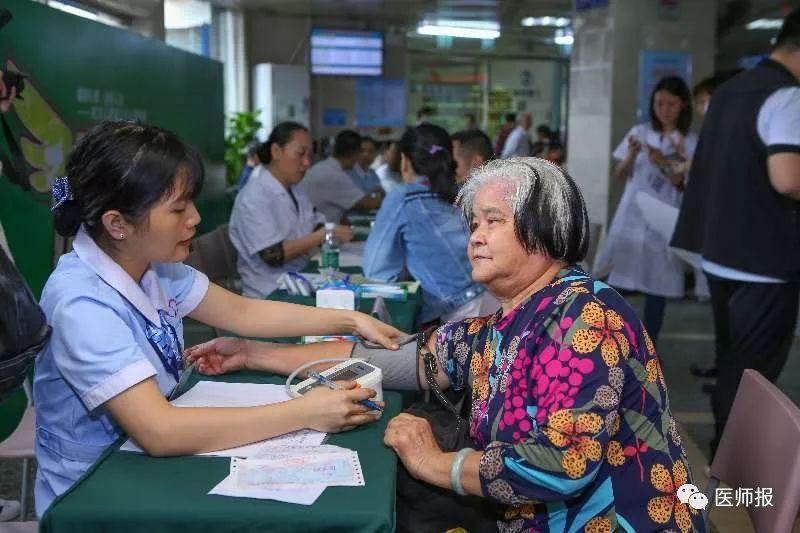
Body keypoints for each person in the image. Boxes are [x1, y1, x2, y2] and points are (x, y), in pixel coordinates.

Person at [189, 157, 703, 532]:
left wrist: (433, 462)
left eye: (493, 221)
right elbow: (405, 360)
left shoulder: (584, 318)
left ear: (546, 227)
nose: (475, 237)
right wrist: (258, 354)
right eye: (473, 224)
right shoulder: (512, 317)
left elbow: (559, 465)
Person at [33, 121, 402, 517]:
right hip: (94, 490)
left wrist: (349, 320)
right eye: (178, 209)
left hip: (149, 462)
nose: (194, 218)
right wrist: (304, 412)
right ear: (117, 223)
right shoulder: (80, 303)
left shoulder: (154, 265)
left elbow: (243, 312)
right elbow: (158, 430)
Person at [671, 7, 800, 455]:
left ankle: (726, 458)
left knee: (734, 361)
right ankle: (735, 468)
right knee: (752, 371)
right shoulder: (787, 96)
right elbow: (787, 177)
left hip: (720, 250)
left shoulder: (731, 90)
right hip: (763, 258)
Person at [593, 76, 697, 343]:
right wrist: (631, 154)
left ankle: (649, 346)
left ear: (683, 106)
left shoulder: (687, 141)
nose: (664, 109)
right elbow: (620, 174)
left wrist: (661, 159)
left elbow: (682, 182)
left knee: (657, 284)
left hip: (662, 219)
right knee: (615, 277)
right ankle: (607, 341)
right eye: (659, 103)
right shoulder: (639, 131)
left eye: (671, 104)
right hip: (632, 216)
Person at [364, 124, 498, 324]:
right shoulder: (463, 192)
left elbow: (376, 270)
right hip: (492, 298)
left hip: (458, 314)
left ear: (405, 161)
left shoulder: (404, 197)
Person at [228, 122, 353, 298]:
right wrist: (324, 234)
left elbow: (314, 223)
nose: (307, 163)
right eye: (300, 154)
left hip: (299, 279)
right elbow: (273, 255)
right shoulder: (254, 196)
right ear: (276, 151)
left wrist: (332, 232)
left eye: (310, 155)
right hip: (269, 292)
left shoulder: (296, 188)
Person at [303, 129, 382, 223]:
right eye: (362, 151)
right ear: (355, 154)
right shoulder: (335, 175)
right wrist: (382, 196)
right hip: (322, 231)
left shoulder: (323, 167)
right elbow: (369, 204)